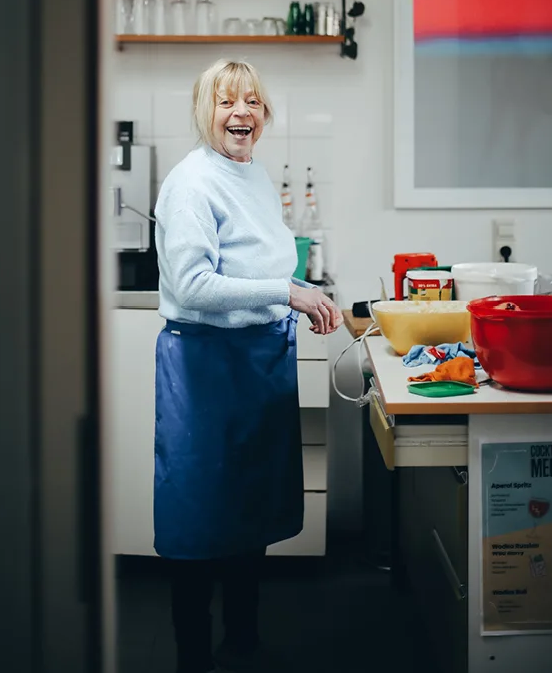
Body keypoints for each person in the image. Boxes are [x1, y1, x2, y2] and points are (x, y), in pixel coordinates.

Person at [153, 59, 343, 673]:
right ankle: (191, 656)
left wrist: (291, 286)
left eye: (253, 103)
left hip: (258, 360)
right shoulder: (191, 183)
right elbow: (192, 284)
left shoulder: (252, 173)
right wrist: (288, 292)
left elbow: (252, 261)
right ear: (204, 110)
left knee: (247, 507)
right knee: (199, 514)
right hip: (206, 368)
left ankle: (242, 636)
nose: (242, 114)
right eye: (227, 102)